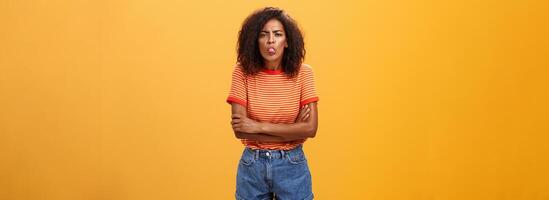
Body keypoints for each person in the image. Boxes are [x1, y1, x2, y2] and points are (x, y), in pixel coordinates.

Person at [226, 7, 319, 200]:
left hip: (292, 164)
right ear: (255, 40)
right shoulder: (241, 72)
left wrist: (257, 126)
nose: (270, 41)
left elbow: (310, 129)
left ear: (287, 42)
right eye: (263, 35)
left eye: (277, 34)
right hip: (252, 166)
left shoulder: (304, 73)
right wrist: (293, 129)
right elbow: (240, 131)